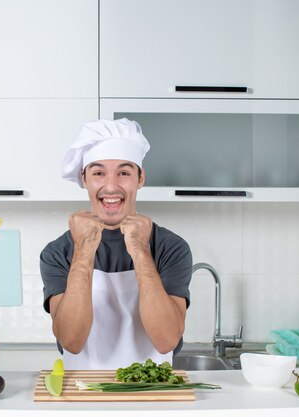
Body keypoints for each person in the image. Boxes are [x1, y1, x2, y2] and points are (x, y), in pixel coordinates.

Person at [40, 118, 192, 370]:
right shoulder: (59, 252)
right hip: (83, 393)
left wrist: (141, 251)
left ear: (140, 177)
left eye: (123, 173)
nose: (111, 186)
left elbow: (166, 340)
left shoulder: (171, 247)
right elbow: (71, 341)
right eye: (98, 173)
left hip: (152, 392)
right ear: (84, 178)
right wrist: (84, 250)